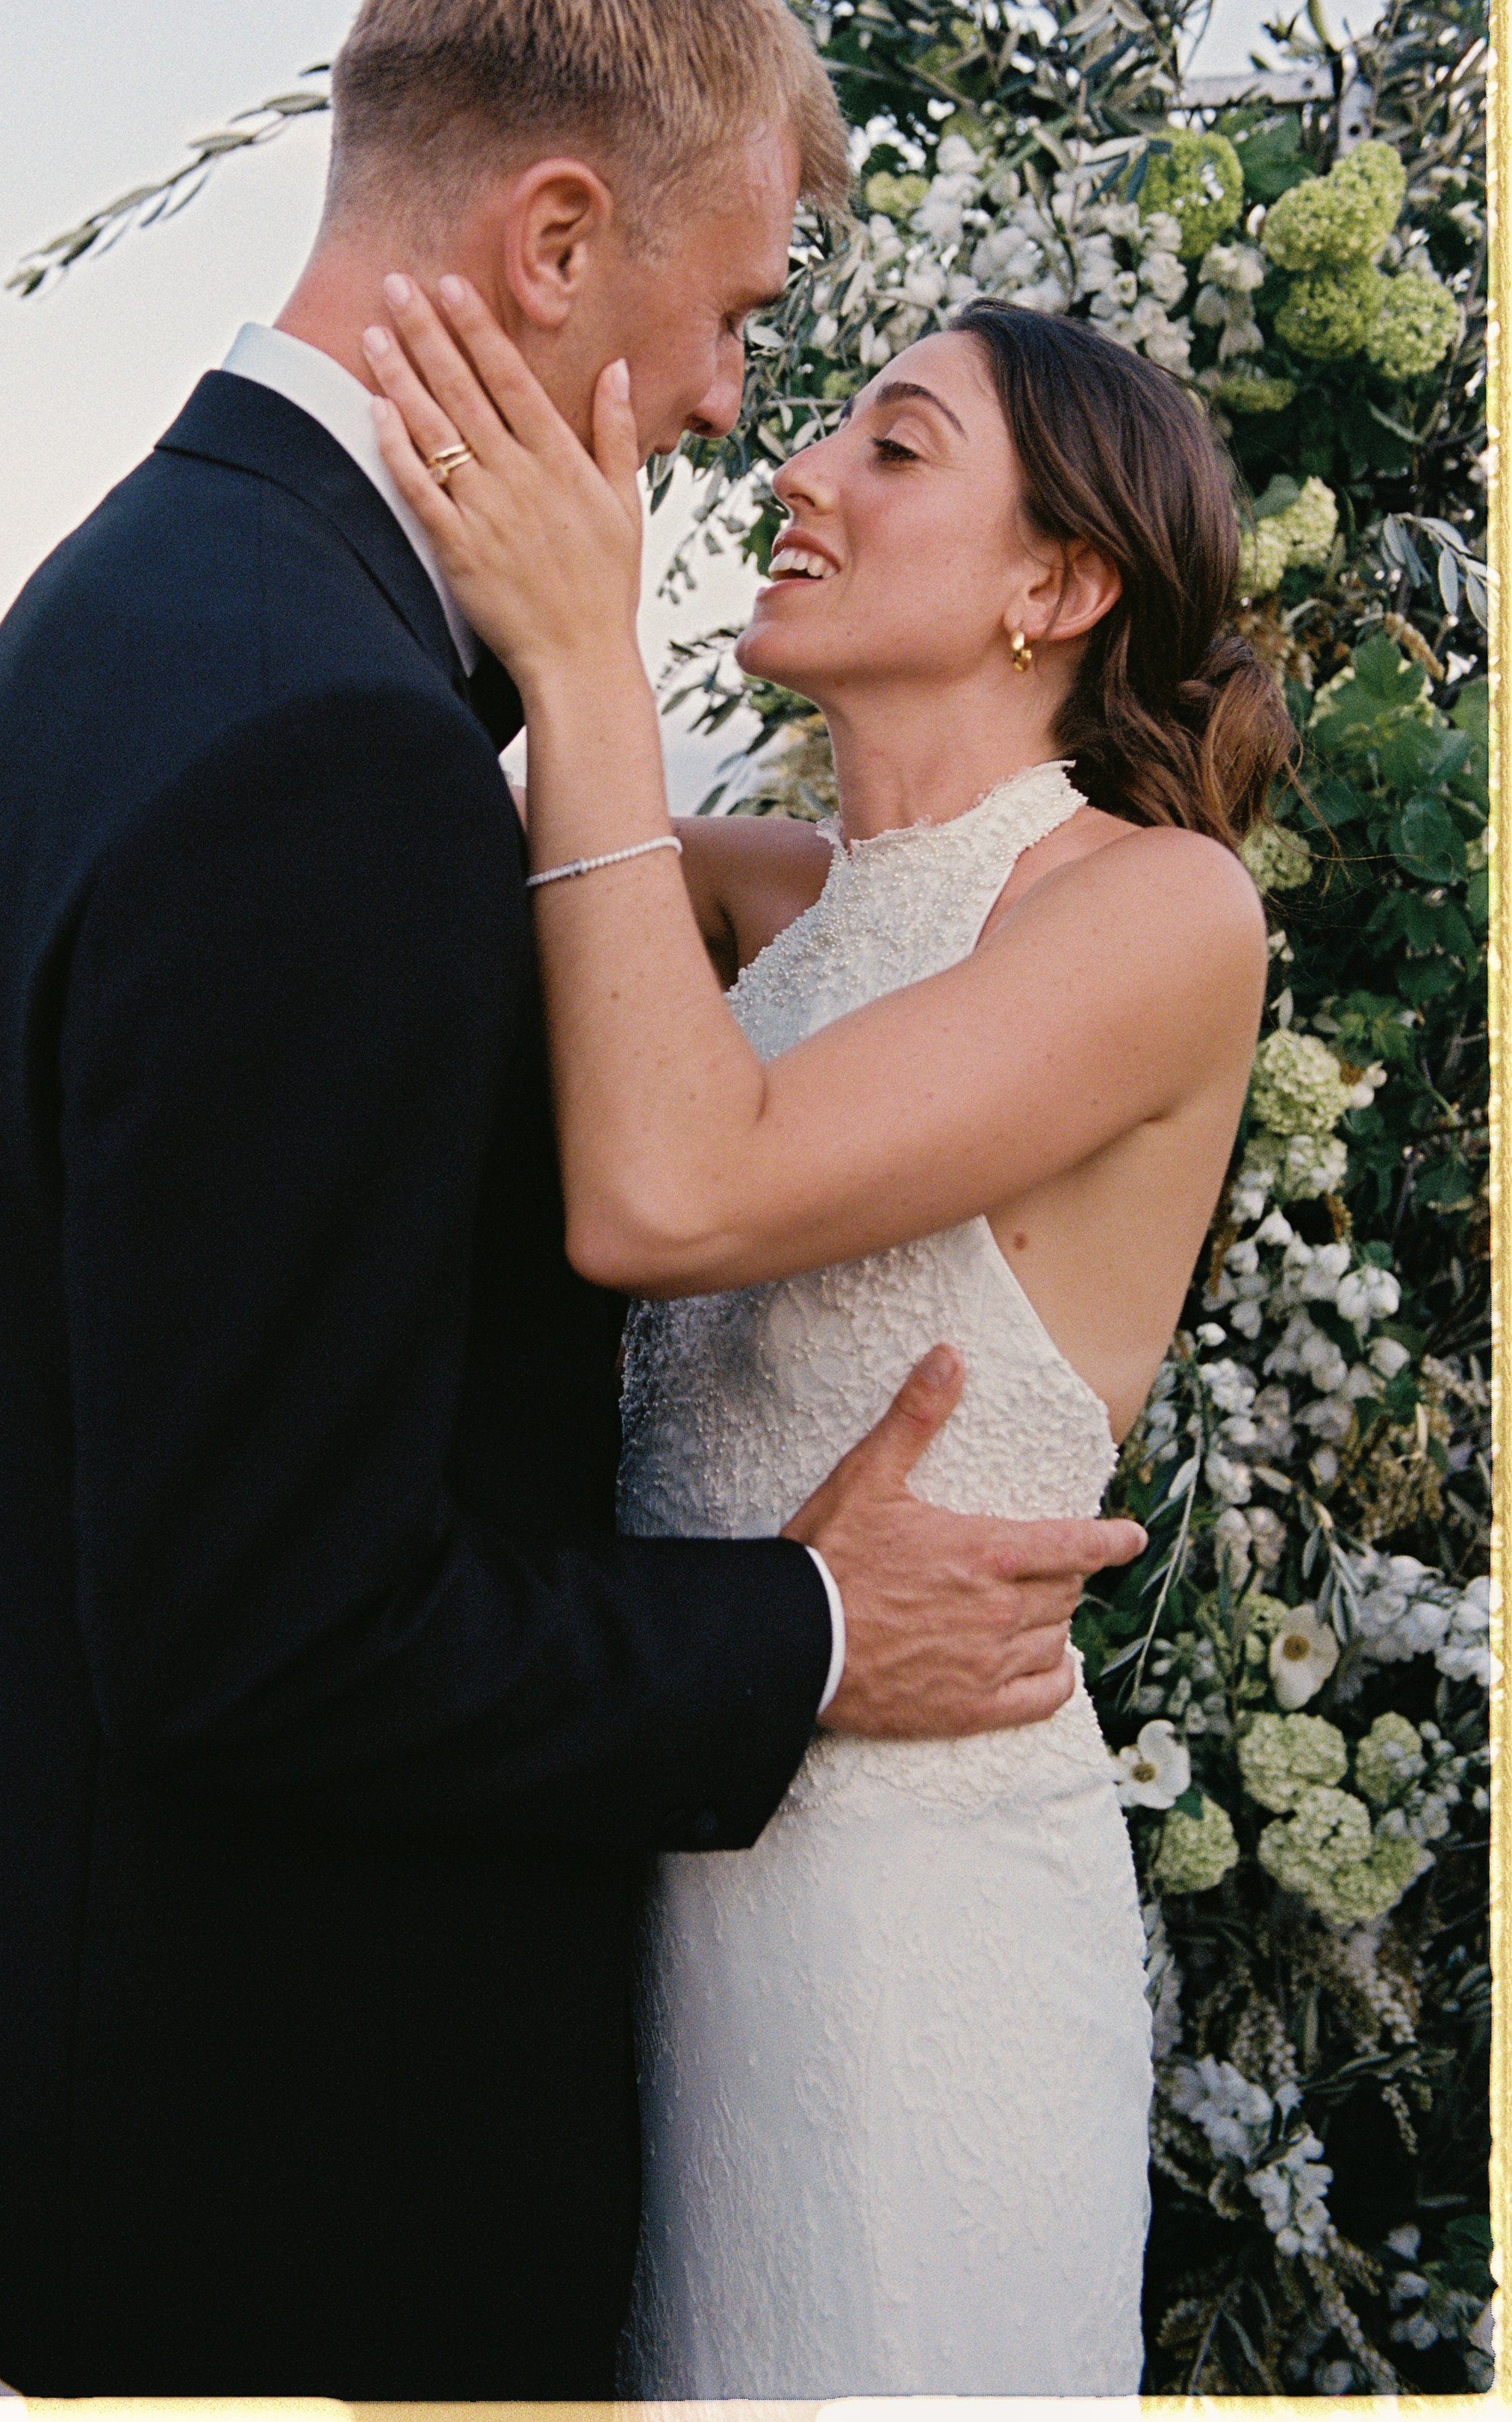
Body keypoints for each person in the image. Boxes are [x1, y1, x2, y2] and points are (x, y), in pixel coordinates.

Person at [0, 0, 1147, 2398]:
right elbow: (261, 1628)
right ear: (557, 239)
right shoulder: (329, 739)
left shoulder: (133, 603)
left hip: (172, 2097)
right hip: (280, 2180)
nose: (727, 409)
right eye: (740, 317)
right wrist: (813, 1629)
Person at [365, 276, 1290, 2394]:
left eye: (891, 445)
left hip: (914, 1940)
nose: (792, 471)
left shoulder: (1149, 913)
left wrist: (585, 648)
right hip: (664, 1865)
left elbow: (667, 1195)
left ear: (1054, 584)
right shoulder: (769, 904)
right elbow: (429, 865)